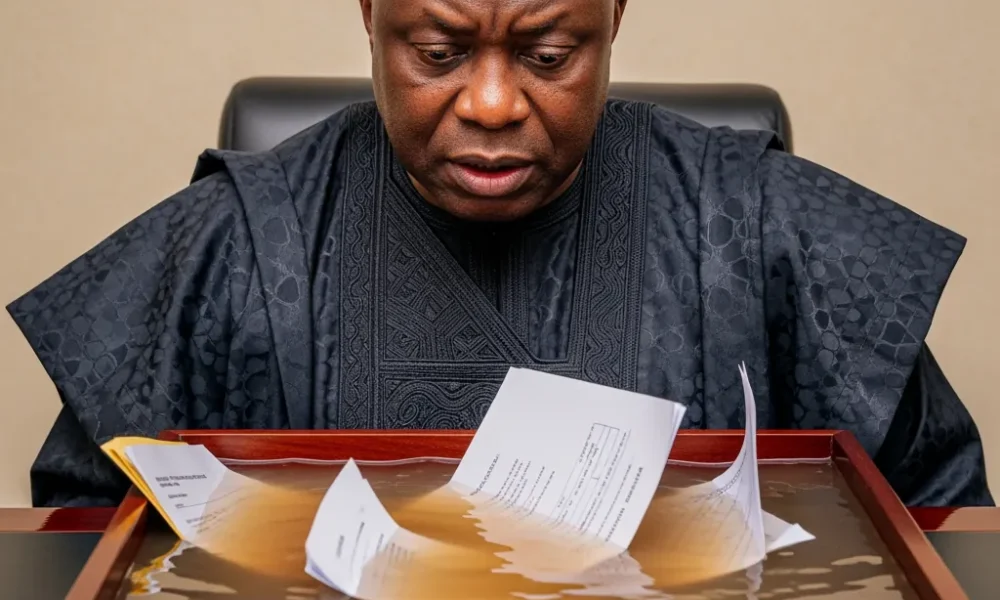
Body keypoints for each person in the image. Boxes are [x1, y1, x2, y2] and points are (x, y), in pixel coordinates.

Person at [7, 0, 992, 508]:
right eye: (436, 53)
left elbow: (937, 507)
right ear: (369, 14)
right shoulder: (238, 243)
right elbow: (86, 529)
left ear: (614, 18)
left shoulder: (756, 228)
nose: (488, 101)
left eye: (548, 55)